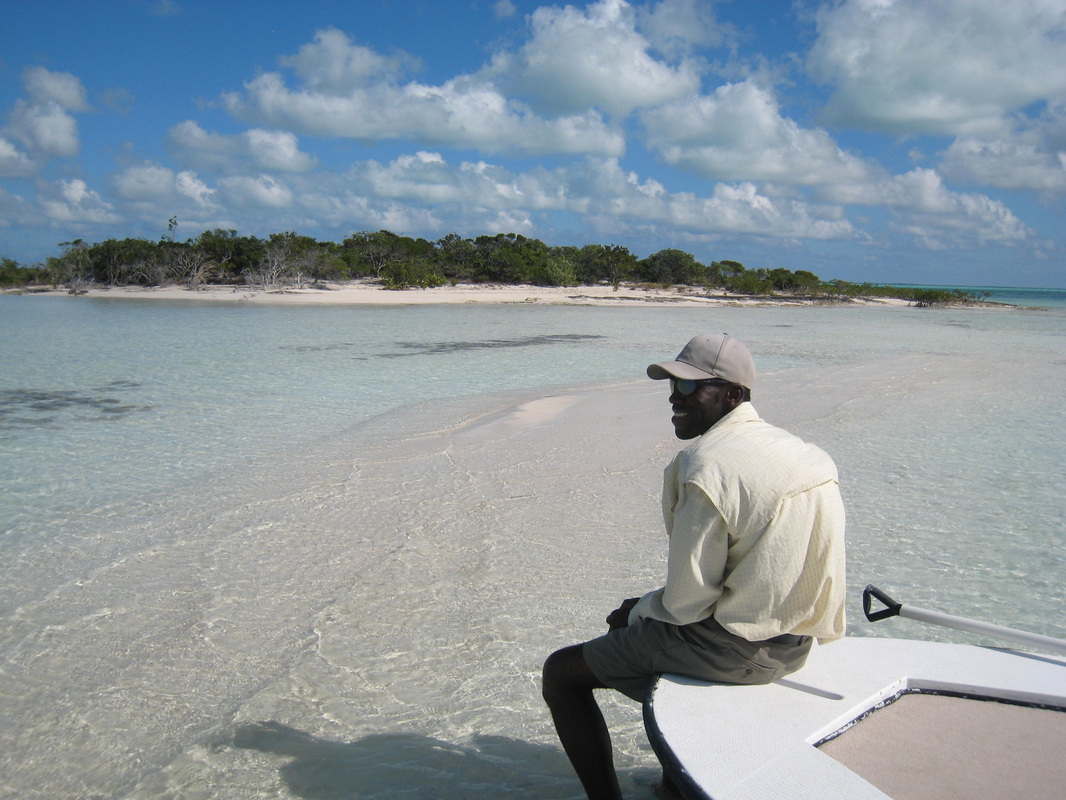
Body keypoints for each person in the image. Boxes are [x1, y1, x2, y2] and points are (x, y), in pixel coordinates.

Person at [541, 333, 846, 800]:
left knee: (562, 671)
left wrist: (637, 611)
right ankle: (674, 784)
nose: (673, 397)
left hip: (736, 652)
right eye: (672, 385)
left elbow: (685, 605)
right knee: (645, 621)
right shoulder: (806, 454)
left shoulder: (705, 467)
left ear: (732, 394)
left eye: (688, 388)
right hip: (795, 645)